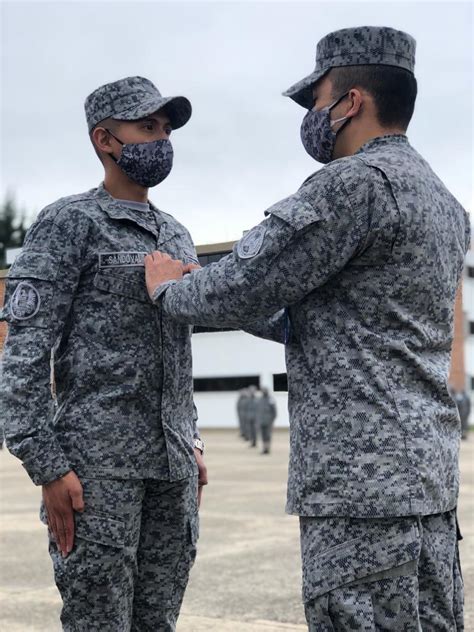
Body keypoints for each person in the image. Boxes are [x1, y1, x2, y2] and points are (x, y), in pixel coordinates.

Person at [143, 27, 469, 630]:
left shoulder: (354, 185)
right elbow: (328, 317)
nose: (314, 116)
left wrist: (169, 286)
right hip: (426, 481)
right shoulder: (444, 202)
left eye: (317, 100)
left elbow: (243, 283)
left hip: (359, 491)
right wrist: (224, 295)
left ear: (351, 102)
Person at [0, 76, 207, 632]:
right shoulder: (69, 223)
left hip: (172, 472)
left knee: (157, 622)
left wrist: (192, 440)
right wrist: (47, 464)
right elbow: (23, 352)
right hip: (96, 473)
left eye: (165, 128)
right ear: (105, 140)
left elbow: (179, 357)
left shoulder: (177, 235)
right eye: (147, 127)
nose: (161, 138)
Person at [256, 387, 277, 454]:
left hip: (268, 421)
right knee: (262, 435)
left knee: (268, 435)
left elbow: (274, 412)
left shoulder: (271, 399)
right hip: (261, 421)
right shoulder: (260, 399)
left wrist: (271, 420)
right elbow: (258, 411)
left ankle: (267, 448)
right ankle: (264, 448)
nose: (264, 392)